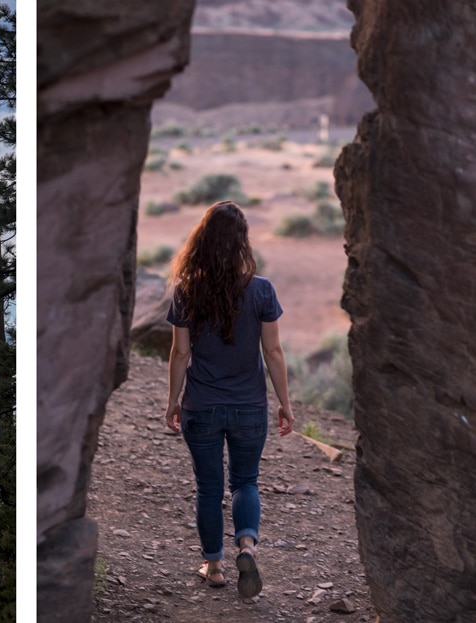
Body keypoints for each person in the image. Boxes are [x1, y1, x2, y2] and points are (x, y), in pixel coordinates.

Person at [163, 200, 295, 599]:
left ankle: (216, 566)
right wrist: (285, 403)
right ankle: (247, 546)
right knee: (245, 481)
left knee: (208, 487)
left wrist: (173, 400)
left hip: (201, 406)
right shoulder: (261, 290)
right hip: (249, 407)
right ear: (242, 243)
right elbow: (273, 352)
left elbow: (180, 353)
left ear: (201, 242)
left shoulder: (186, 291)